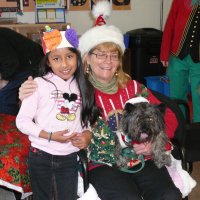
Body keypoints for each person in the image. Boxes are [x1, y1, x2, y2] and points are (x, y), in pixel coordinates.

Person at [18, 1, 182, 200]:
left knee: (169, 195)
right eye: (101, 54)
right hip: (103, 164)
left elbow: (170, 117)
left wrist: (154, 142)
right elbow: (44, 106)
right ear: (86, 59)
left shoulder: (134, 88)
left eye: (114, 55)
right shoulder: (75, 90)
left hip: (142, 159)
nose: (108, 61)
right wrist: (25, 93)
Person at [16, 26, 99, 200]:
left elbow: (85, 121)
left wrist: (87, 135)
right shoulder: (38, 84)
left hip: (69, 156)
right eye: (56, 58)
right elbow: (22, 121)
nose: (64, 64)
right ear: (48, 62)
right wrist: (49, 136)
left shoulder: (84, 87)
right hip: (40, 155)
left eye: (69, 57)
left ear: (77, 58)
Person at [160, 0, 200, 122]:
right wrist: (164, 53)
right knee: (176, 94)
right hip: (177, 55)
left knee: (198, 95)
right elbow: (170, 24)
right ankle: (178, 126)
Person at [0, 27, 44, 115]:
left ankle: (11, 124)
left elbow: (11, 62)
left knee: (4, 95)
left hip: (32, 63)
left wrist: (4, 80)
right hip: (18, 63)